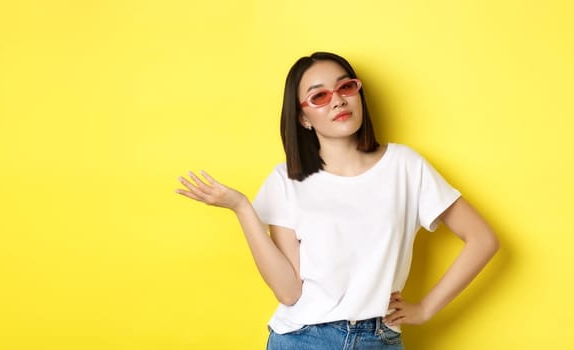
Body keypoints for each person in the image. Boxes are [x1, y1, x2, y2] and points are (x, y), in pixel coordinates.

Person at [174, 52, 499, 349]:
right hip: (303, 338)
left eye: (346, 87)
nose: (338, 100)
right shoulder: (286, 179)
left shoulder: (405, 166)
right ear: (303, 118)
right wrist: (242, 207)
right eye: (319, 95)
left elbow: (483, 239)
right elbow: (289, 292)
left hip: (379, 339)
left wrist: (426, 308)